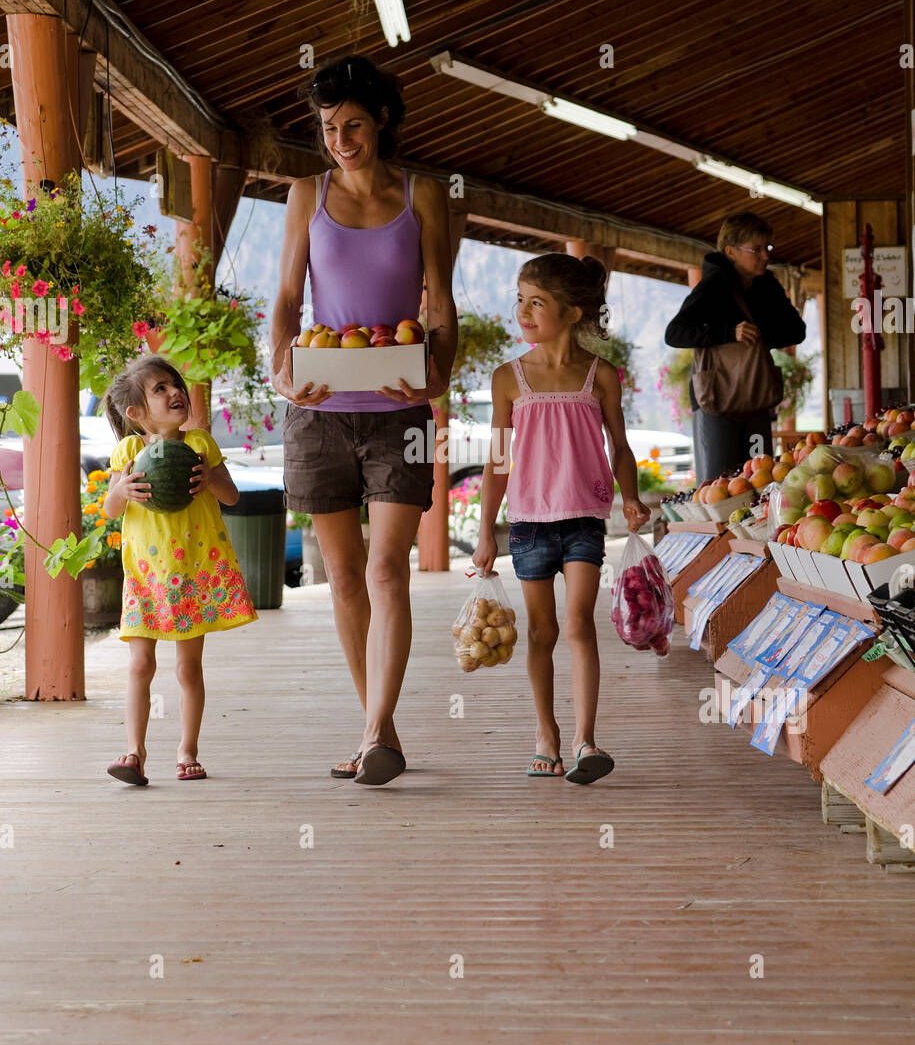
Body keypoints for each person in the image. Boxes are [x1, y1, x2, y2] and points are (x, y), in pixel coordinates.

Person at [271, 55, 458, 787]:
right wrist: (282, 371)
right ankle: (375, 726)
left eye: (352, 124)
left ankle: (378, 729)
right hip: (320, 407)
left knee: (386, 569)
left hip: (397, 407)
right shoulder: (304, 194)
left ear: (380, 120)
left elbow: (437, 300)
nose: (340, 140)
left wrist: (439, 365)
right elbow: (286, 298)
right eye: (327, 128)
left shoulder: (424, 194)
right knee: (345, 575)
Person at [472, 253, 649, 783]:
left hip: (585, 519)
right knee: (542, 631)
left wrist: (632, 496)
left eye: (537, 303)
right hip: (528, 523)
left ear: (573, 314)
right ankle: (545, 733)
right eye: (520, 301)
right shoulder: (508, 378)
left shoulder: (601, 376)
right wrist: (485, 531)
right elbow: (497, 461)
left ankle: (585, 739)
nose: (523, 312)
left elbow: (620, 446)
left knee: (577, 625)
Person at [102, 356, 256, 786]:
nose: (175, 392)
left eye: (176, 384)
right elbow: (111, 509)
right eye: (160, 389)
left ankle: (187, 749)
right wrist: (123, 491)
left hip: (192, 571)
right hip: (148, 575)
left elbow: (231, 496)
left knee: (188, 669)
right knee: (139, 665)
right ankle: (134, 751)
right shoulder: (129, 452)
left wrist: (209, 479)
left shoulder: (201, 445)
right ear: (135, 413)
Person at [664, 212, 806, 483]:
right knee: (722, 482)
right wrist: (729, 332)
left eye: (768, 248)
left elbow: (796, 331)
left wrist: (759, 333)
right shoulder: (713, 286)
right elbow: (675, 333)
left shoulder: (768, 286)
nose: (766, 255)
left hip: (755, 400)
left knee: (759, 478)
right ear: (731, 251)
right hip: (717, 402)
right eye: (757, 249)